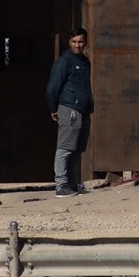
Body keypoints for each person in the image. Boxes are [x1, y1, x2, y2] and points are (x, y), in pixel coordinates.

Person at [46, 28, 94, 198]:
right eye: (74, 42)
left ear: (85, 42)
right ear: (69, 42)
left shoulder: (84, 62)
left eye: (80, 42)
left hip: (82, 110)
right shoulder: (64, 61)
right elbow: (52, 88)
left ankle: (72, 183)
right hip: (69, 109)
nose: (77, 45)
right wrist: (54, 108)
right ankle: (61, 184)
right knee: (65, 148)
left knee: (76, 149)